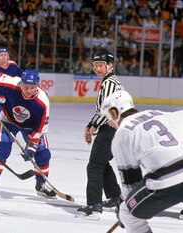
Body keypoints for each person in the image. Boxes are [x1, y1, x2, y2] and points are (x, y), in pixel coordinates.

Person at [100, 90, 183, 233]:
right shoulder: (160, 113)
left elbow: (130, 186)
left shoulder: (123, 133)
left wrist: (123, 204)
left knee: (127, 212)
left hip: (168, 181)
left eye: (108, 116)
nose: (109, 122)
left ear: (115, 112)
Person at [0, 69, 57, 199]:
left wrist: (31, 148)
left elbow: (40, 129)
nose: (29, 90)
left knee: (43, 155)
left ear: (37, 85)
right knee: (3, 149)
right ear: (21, 83)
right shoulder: (11, 83)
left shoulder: (43, 102)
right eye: (26, 87)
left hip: (30, 127)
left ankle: (41, 185)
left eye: (32, 87)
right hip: (8, 119)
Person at [77, 51, 122, 220]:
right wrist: (91, 124)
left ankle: (93, 206)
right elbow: (103, 109)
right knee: (102, 163)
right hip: (113, 129)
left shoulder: (110, 82)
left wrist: (93, 125)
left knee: (94, 165)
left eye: (101, 65)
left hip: (110, 129)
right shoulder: (109, 82)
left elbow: (108, 108)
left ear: (110, 66)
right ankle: (116, 197)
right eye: (95, 65)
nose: (97, 68)